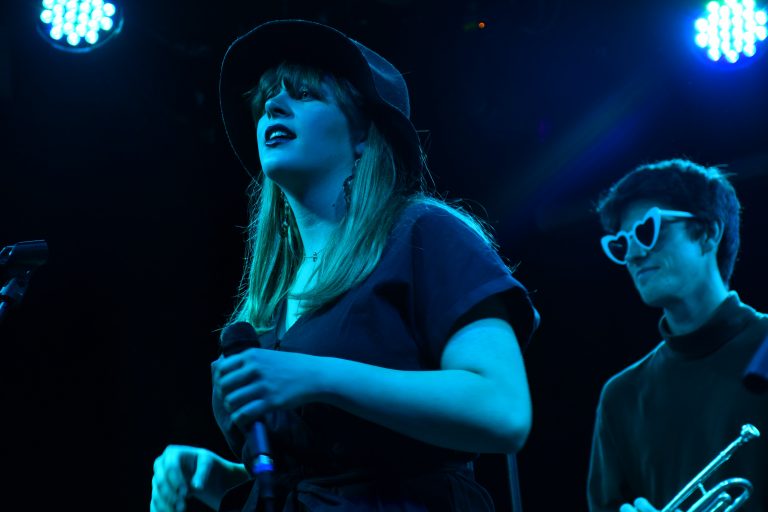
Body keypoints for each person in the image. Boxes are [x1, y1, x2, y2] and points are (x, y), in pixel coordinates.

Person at [150, 19, 539, 512]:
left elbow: (501, 409)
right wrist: (222, 480)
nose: (272, 105)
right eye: (268, 97)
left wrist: (320, 376)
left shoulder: (421, 231)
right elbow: (322, 472)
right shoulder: (272, 300)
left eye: (306, 94)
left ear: (362, 134)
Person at [587, 159, 768, 512]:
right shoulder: (621, 396)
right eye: (621, 244)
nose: (635, 255)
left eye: (647, 230)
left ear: (708, 234)